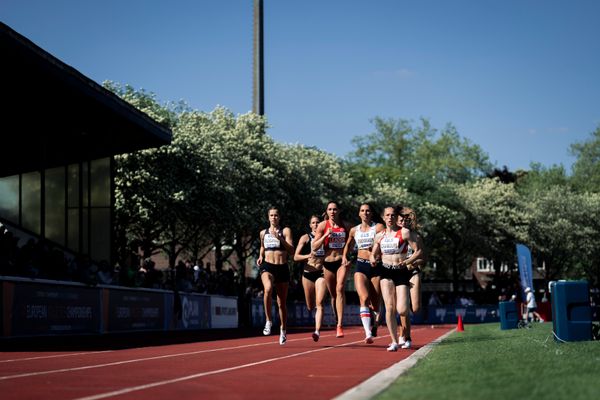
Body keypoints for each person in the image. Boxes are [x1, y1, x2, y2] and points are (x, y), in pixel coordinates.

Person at [370, 206, 411, 352]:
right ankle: (394, 341)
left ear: (396, 217)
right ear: (383, 217)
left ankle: (405, 332)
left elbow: (417, 250)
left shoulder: (404, 233)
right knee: (389, 308)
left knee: (402, 309)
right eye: (387, 215)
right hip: (386, 271)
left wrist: (407, 261)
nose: (390, 217)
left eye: (393, 215)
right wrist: (372, 259)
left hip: (401, 272)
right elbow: (373, 254)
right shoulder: (379, 236)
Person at [342, 203, 384, 343]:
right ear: (359, 214)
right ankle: (367, 333)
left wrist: (376, 255)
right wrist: (344, 257)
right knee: (364, 298)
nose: (365, 213)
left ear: (371, 213)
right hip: (360, 265)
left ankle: (376, 325)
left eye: (368, 211)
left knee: (376, 304)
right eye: (362, 211)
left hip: (376, 267)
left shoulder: (378, 227)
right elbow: (348, 244)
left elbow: (384, 245)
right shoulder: (354, 230)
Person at [312, 200, 350, 338]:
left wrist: (347, 255)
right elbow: (315, 246)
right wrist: (325, 236)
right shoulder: (322, 225)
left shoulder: (346, 225)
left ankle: (340, 325)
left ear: (339, 211)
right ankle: (336, 319)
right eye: (330, 209)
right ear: (327, 211)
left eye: (335, 209)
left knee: (340, 289)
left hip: (341, 262)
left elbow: (352, 242)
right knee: (333, 295)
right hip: (327, 263)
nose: (332, 212)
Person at [257, 207, 294, 345]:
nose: (274, 217)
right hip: (267, 266)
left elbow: (291, 250)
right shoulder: (263, 233)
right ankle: (268, 321)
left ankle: (283, 329)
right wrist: (260, 256)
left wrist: (280, 239)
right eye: (271, 215)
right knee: (267, 289)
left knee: (281, 304)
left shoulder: (286, 231)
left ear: (279, 217)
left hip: (282, 267)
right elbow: (262, 246)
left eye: (276, 215)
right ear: (268, 217)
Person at [396, 205, 426, 349]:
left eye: (405, 220)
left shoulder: (416, 237)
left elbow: (423, 258)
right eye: (400, 220)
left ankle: (404, 332)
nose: (403, 223)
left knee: (415, 307)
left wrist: (411, 263)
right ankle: (405, 334)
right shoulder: (393, 237)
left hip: (413, 272)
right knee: (403, 306)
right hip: (399, 274)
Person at [294, 215, 328, 341]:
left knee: (319, 303)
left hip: (321, 273)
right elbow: (295, 257)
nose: (315, 225)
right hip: (307, 274)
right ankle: (314, 314)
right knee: (310, 306)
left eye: (317, 222)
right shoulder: (305, 238)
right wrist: (308, 255)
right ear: (310, 225)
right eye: (313, 223)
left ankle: (317, 331)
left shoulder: (326, 237)